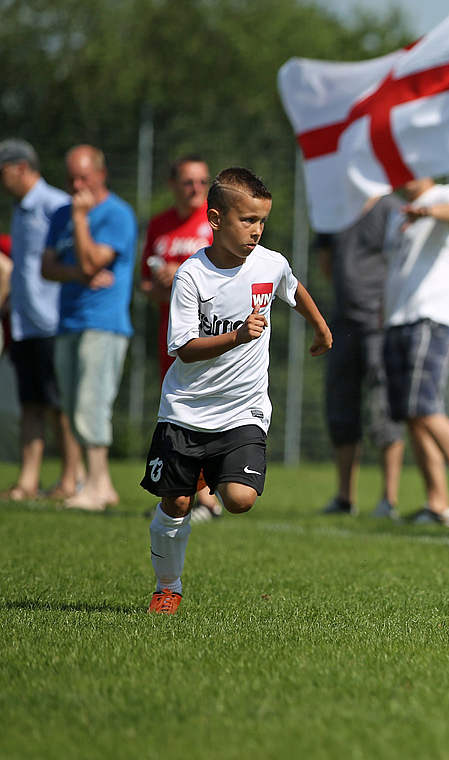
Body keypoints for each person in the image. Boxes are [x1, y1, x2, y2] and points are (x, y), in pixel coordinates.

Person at [141, 167, 332, 614]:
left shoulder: (270, 262)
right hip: (186, 409)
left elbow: (293, 287)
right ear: (216, 219)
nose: (256, 230)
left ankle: (211, 470)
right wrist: (237, 337)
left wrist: (321, 327)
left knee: (241, 500)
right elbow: (184, 349)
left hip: (242, 408)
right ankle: (167, 586)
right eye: (247, 220)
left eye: (262, 221)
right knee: (177, 501)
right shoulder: (192, 276)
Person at [40, 145, 138, 511]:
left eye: (83, 176)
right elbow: (48, 268)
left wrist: (81, 221)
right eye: (71, 178)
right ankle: (97, 484)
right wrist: (78, 274)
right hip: (68, 321)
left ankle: (97, 486)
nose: (76, 185)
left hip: (104, 323)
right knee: (70, 405)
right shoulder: (60, 213)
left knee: (91, 405)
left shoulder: (117, 214)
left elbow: (93, 260)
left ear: (101, 174)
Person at [383, 176, 449, 526]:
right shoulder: (397, 212)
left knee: (425, 405)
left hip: (432, 315)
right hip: (399, 317)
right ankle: (436, 502)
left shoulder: (446, 194)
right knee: (411, 413)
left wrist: (428, 211)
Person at [0, 138, 81, 502]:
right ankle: (28, 481)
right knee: (31, 403)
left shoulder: (55, 204)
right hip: (23, 322)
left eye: (3, 171)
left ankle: (70, 479)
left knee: (59, 405)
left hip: (52, 321)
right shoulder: (20, 210)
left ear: (21, 167)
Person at [316, 194, 406, 519]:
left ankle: (389, 500)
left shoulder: (390, 208)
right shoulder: (333, 208)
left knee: (386, 410)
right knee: (340, 407)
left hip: (380, 324)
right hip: (342, 323)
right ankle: (344, 498)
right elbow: (326, 260)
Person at [141, 155, 221, 519]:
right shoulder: (159, 225)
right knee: (176, 412)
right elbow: (145, 283)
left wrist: (182, 276)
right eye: (188, 182)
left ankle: (206, 497)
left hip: (210, 335)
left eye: (202, 182)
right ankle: (181, 493)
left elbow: (225, 280)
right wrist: (160, 286)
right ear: (173, 184)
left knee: (205, 411)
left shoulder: (215, 223)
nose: (196, 190)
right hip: (170, 333)